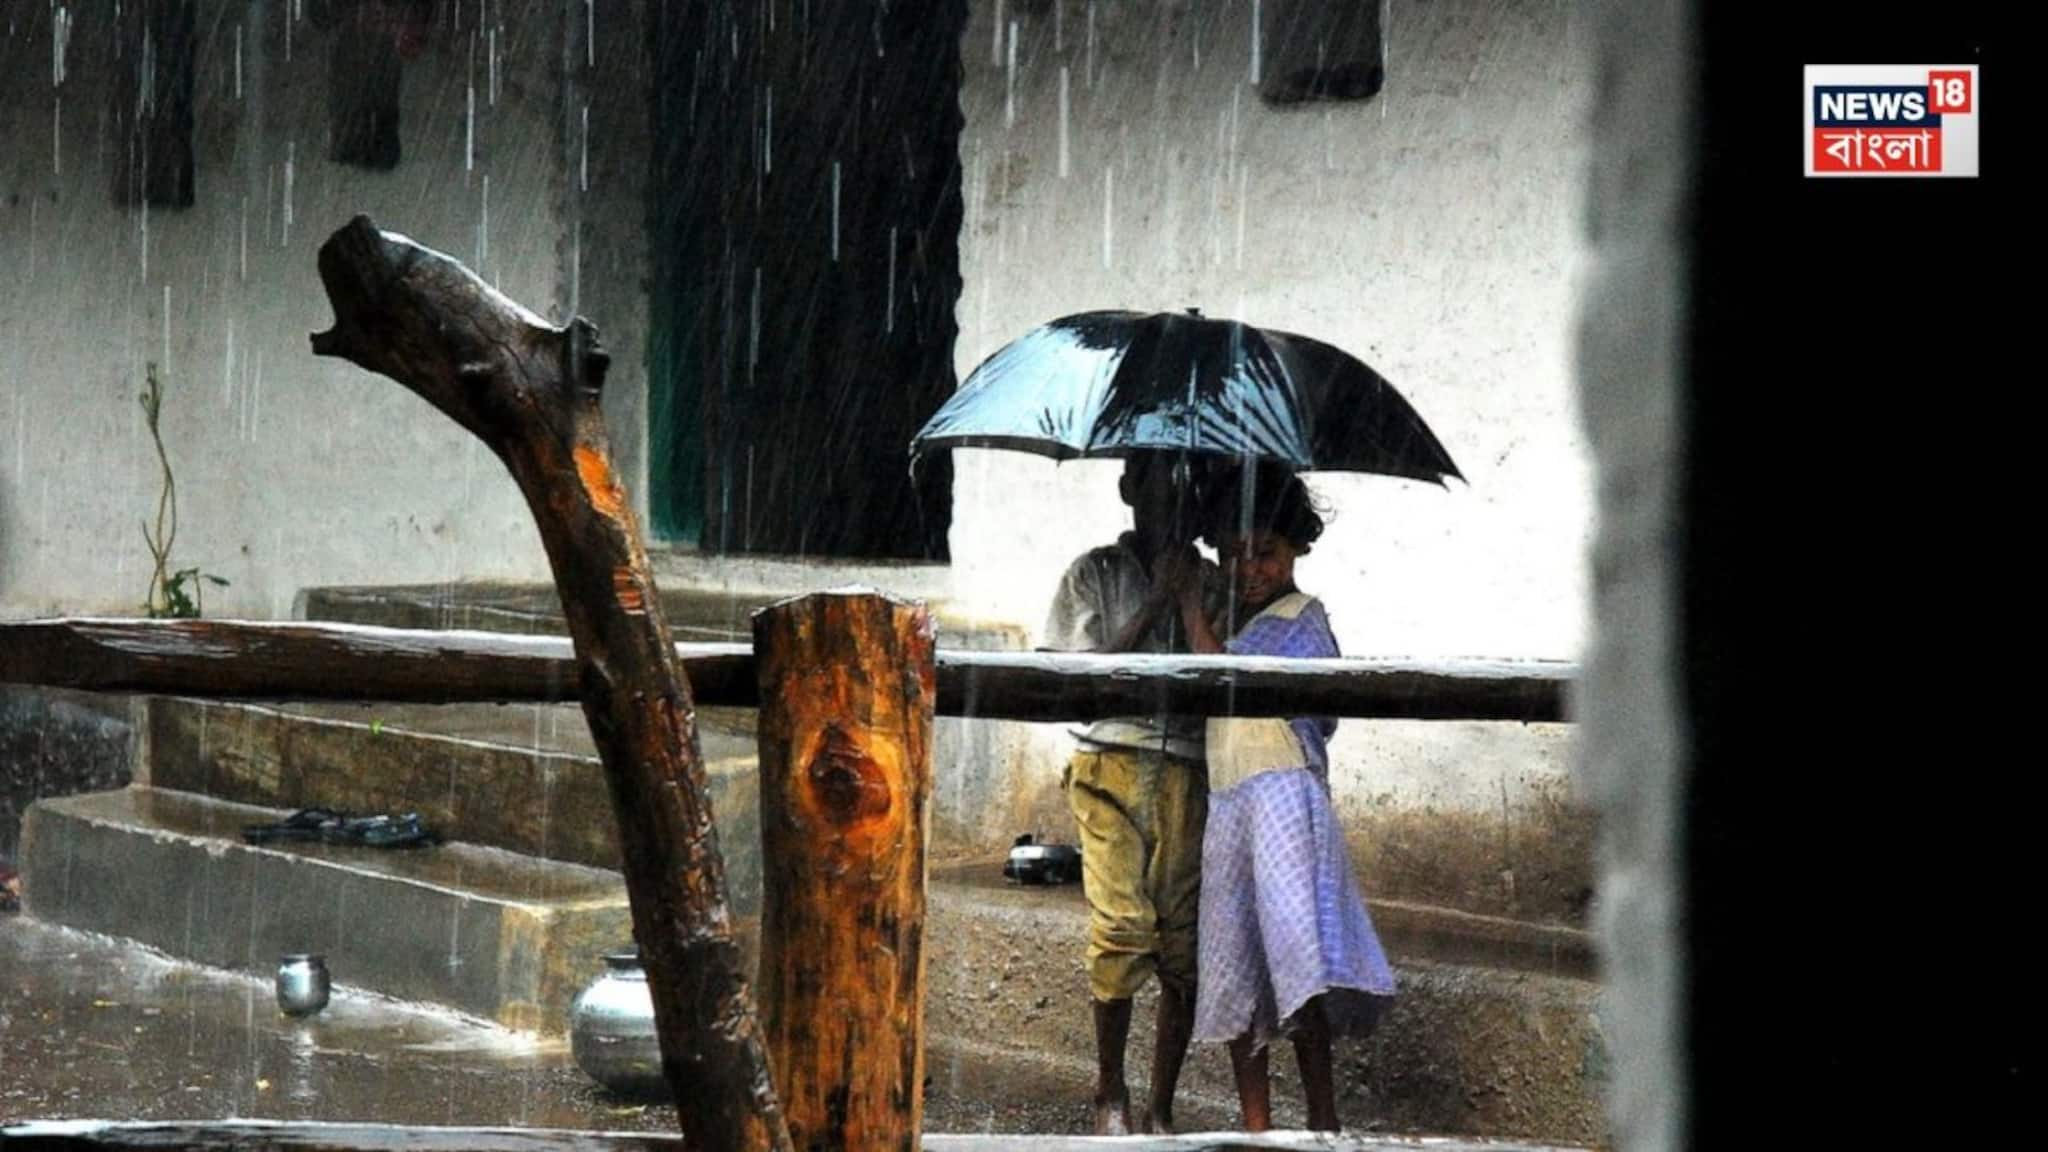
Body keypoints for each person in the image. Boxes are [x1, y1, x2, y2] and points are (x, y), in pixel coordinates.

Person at [1168, 465, 1396, 1132]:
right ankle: (1256, 1127)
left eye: (1264, 552)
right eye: (1233, 554)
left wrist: (1188, 603)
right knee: (1238, 964)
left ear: (1297, 547)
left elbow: (1224, 675)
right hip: (1232, 804)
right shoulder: (1237, 620)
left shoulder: (1303, 621)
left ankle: (1324, 1124)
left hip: (1284, 808)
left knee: (1299, 972)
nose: (1249, 569)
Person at [1041, 451, 1225, 1135]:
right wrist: (1152, 606)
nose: (1171, 502)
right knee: (1121, 927)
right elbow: (1083, 682)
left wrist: (1186, 599)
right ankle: (1109, 1091)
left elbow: (1226, 678)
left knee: (1181, 943)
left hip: (1185, 767)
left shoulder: (1212, 581)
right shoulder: (1093, 573)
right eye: (1155, 486)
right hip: (1110, 759)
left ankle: (1162, 1103)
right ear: (1128, 491)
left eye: (1184, 487)